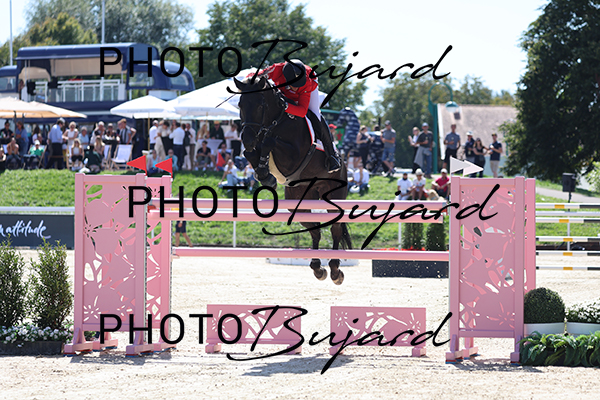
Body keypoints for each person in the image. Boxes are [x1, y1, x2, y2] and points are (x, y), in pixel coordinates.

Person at [256, 59, 341, 172]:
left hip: (308, 88)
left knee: (315, 114)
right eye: (294, 84)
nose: (296, 88)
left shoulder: (306, 83)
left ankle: (332, 154)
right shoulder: (275, 70)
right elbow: (253, 76)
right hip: (284, 91)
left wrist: (286, 106)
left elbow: (302, 111)